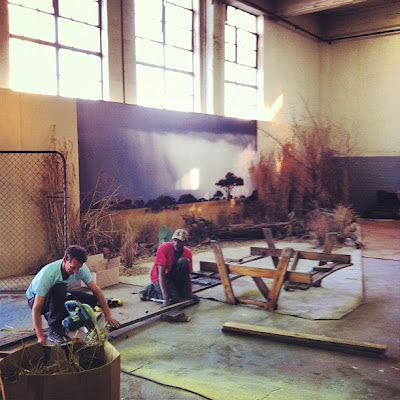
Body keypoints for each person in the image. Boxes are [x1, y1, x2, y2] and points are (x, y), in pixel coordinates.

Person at [26, 245, 120, 345]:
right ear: (65, 260)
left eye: (78, 268)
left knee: (91, 300)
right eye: (73, 268)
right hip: (35, 300)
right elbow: (36, 308)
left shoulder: (81, 269)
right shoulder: (49, 274)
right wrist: (40, 335)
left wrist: (108, 315)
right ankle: (54, 329)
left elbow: (97, 291)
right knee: (60, 289)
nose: (75, 272)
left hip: (57, 295)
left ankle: (52, 314)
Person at [139, 229, 197, 307]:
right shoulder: (164, 248)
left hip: (173, 275)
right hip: (161, 276)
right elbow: (161, 274)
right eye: (175, 240)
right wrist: (166, 298)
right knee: (173, 299)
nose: (176, 244)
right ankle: (149, 290)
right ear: (172, 240)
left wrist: (189, 294)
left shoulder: (188, 253)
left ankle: (173, 290)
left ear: (185, 242)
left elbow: (187, 276)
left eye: (180, 241)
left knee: (184, 261)